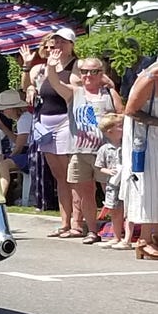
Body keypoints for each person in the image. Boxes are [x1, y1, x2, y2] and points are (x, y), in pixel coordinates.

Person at [46, 55, 123, 244]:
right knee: (85, 193)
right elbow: (55, 83)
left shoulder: (109, 93)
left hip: (106, 151)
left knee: (111, 191)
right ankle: (92, 231)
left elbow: (122, 116)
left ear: (101, 73)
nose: (88, 75)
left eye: (93, 71)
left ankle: (119, 233)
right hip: (80, 150)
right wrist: (50, 67)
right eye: (84, 71)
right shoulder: (75, 93)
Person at [22, 28, 80, 237]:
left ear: (72, 45)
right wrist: (30, 86)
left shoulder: (76, 67)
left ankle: (76, 222)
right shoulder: (45, 67)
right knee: (59, 176)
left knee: (71, 175)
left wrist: (52, 72)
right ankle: (64, 222)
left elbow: (69, 93)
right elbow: (29, 85)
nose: (58, 45)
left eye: (63, 42)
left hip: (65, 121)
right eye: (55, 41)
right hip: (45, 122)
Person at [120, 60, 158, 259]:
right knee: (148, 187)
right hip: (145, 138)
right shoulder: (151, 76)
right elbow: (130, 111)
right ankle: (145, 240)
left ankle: (153, 236)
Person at [94, 113, 130, 249]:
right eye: (119, 126)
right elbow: (99, 166)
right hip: (113, 184)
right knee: (115, 211)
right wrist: (107, 171)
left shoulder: (127, 145)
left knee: (127, 210)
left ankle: (126, 237)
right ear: (110, 131)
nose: (122, 128)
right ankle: (116, 236)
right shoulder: (104, 149)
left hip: (126, 182)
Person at [0, 89, 32, 198]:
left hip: (30, 154)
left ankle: (0, 195)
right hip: (26, 152)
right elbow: (17, 140)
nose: (3, 112)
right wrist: (2, 127)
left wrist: (9, 157)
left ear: (11, 108)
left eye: (3, 109)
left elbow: (19, 146)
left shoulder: (24, 120)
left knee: (3, 164)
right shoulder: (22, 119)